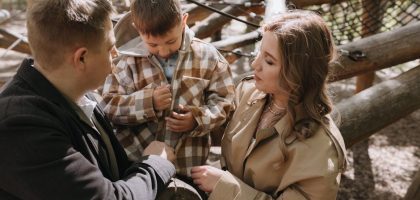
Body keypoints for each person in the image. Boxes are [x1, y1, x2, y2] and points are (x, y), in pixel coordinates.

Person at [0, 0, 176, 199]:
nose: (116, 54)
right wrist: (156, 163)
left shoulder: (83, 96)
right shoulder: (21, 127)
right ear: (81, 58)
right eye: (110, 48)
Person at [190, 10, 348, 200]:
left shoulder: (322, 148)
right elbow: (218, 132)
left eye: (269, 61)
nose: (255, 64)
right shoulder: (248, 92)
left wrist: (225, 187)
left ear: (298, 72)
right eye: (259, 53)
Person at [99, 0, 235, 181]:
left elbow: (225, 102)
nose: (163, 51)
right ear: (137, 29)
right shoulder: (126, 62)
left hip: (187, 166)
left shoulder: (208, 57)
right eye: (153, 45)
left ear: (184, 21)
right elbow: (109, 107)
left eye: (171, 41)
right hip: (137, 167)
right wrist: (149, 102)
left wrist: (197, 119)